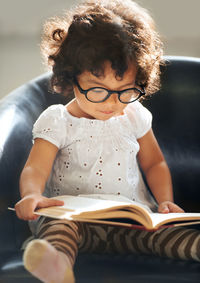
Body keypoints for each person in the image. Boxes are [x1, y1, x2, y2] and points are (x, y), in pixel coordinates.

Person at [14, 0, 200, 282]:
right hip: (76, 222)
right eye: (97, 91)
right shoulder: (58, 121)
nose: (112, 103)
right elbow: (35, 168)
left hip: (129, 225)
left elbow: (155, 163)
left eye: (125, 91)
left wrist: (165, 203)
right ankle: (55, 266)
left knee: (169, 237)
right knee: (57, 229)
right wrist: (31, 195)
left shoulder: (134, 115)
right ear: (71, 77)